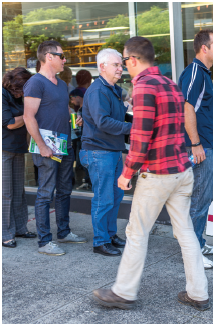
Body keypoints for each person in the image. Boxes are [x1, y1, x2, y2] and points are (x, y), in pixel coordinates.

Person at [92, 36, 209, 311]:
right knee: (186, 232)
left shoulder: (144, 87)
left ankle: (123, 292)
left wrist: (127, 172)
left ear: (133, 60)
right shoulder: (170, 84)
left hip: (157, 173)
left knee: (136, 232)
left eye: (124, 61)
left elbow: (141, 136)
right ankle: (198, 293)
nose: (124, 67)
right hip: (182, 169)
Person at [23, 40, 87, 256]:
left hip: (65, 144)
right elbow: (28, 116)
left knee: (64, 190)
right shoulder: (35, 83)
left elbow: (60, 110)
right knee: (45, 194)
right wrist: (41, 145)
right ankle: (44, 241)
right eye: (61, 55)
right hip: (47, 147)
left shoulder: (60, 84)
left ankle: (64, 231)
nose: (64, 60)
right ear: (48, 56)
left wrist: (75, 117)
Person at [79, 48, 132, 257]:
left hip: (112, 150)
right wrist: (133, 128)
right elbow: (103, 122)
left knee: (115, 196)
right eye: (116, 65)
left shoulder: (112, 89)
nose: (121, 68)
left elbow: (119, 114)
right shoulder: (98, 91)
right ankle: (100, 241)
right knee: (104, 198)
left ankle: (110, 235)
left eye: (121, 64)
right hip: (99, 152)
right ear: (102, 67)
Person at [178, 29, 213, 270]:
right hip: (200, 147)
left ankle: (198, 243)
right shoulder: (195, 72)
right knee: (197, 200)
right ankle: (192, 253)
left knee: (205, 198)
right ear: (203, 48)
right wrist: (195, 144)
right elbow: (187, 108)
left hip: (208, 146)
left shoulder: (204, 74)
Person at [2, 67, 36, 248]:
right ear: (16, 85)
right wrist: (28, 115)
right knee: (5, 193)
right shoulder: (2, 95)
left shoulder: (19, 97)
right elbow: (9, 124)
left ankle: (20, 228)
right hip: (4, 149)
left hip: (18, 148)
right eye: (24, 88)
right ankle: (5, 233)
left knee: (18, 191)